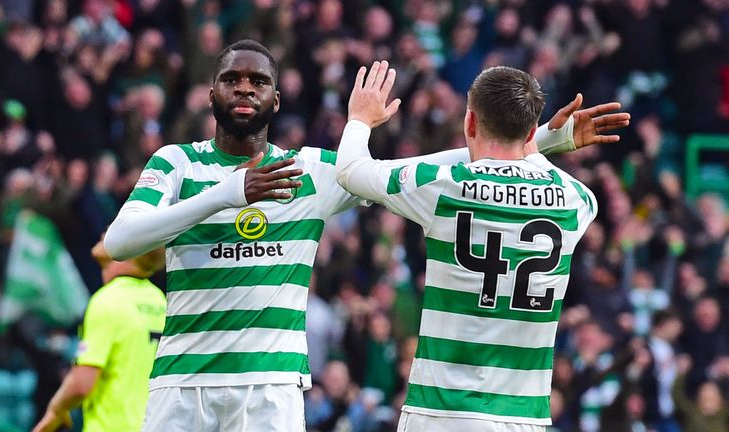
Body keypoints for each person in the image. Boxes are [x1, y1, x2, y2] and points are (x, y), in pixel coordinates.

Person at [103, 40, 629, 431]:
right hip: (179, 382)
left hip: (271, 390)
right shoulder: (176, 162)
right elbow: (121, 241)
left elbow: (431, 169)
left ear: (277, 100)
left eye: (258, 81)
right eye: (232, 79)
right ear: (210, 92)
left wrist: (537, 139)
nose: (244, 87)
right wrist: (227, 193)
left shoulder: (306, 171)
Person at [336, 62, 625, 431]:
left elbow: (351, 170)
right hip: (522, 418)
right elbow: (526, 160)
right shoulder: (575, 198)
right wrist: (549, 142)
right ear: (531, 130)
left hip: (441, 413)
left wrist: (359, 119)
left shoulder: (444, 186)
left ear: (469, 122)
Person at [32, 237, 166, 432]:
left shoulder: (108, 301)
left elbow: (82, 384)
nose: (104, 234)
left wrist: (56, 409)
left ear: (126, 249)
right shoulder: (160, 301)